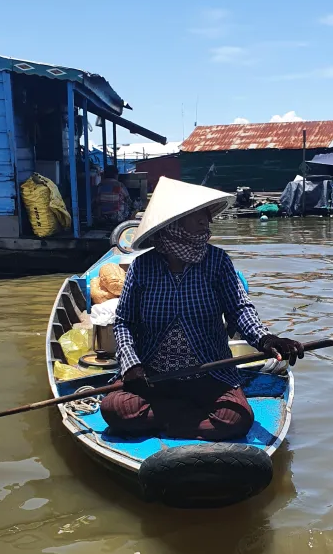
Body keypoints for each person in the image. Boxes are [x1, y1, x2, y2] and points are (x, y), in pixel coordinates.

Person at [100, 177, 303, 441]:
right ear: (173, 222)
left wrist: (267, 339)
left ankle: (166, 420)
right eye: (196, 214)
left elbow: (239, 309)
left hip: (210, 372)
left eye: (206, 214)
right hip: (153, 375)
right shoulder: (142, 267)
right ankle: (189, 419)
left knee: (237, 419)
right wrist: (131, 366)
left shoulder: (217, 262)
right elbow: (124, 322)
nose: (206, 220)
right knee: (114, 409)